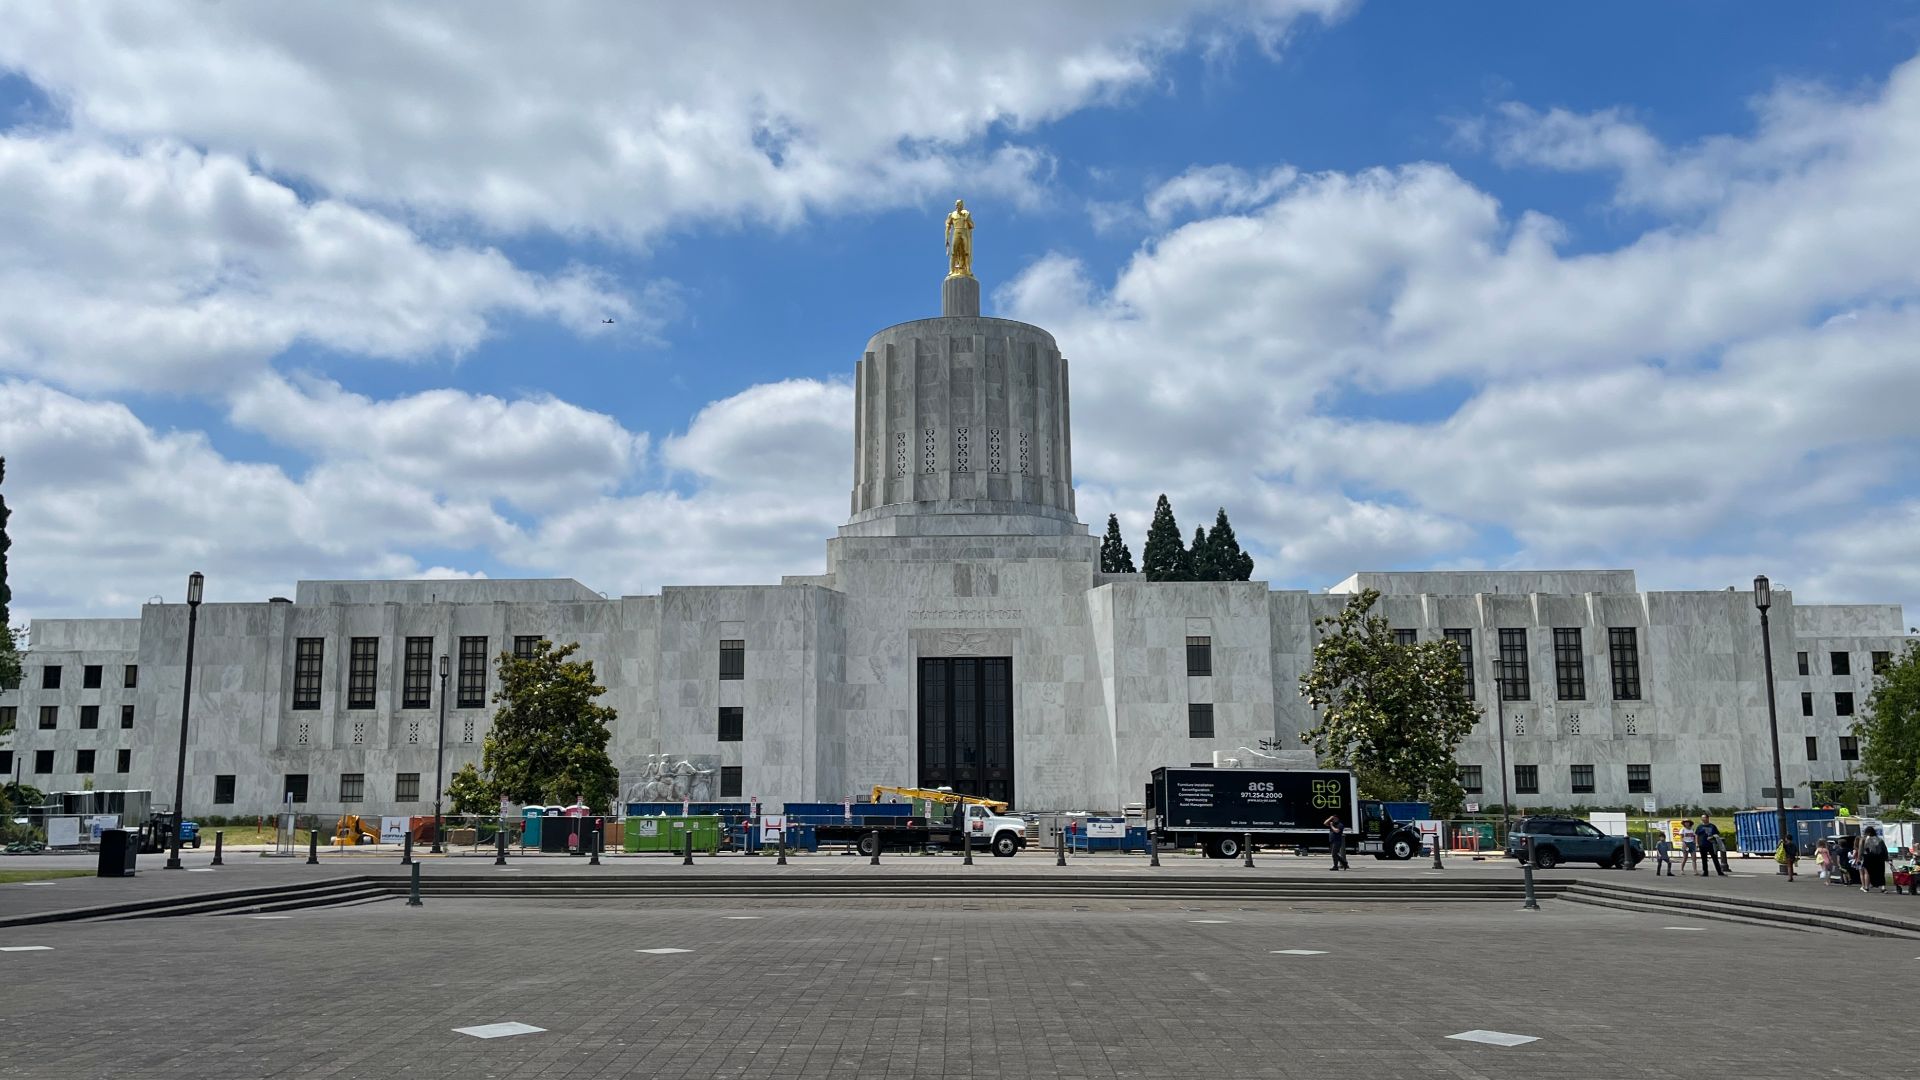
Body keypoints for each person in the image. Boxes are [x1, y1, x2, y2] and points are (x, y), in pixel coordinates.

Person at [1859, 827, 1890, 893]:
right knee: (1881, 872)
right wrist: (1886, 857)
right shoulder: (1879, 839)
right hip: (1879, 857)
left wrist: (1859, 858)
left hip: (1868, 856)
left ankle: (1866, 887)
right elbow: (1884, 849)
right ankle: (1883, 887)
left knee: (1867, 872)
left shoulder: (1864, 839)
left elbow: (1860, 849)